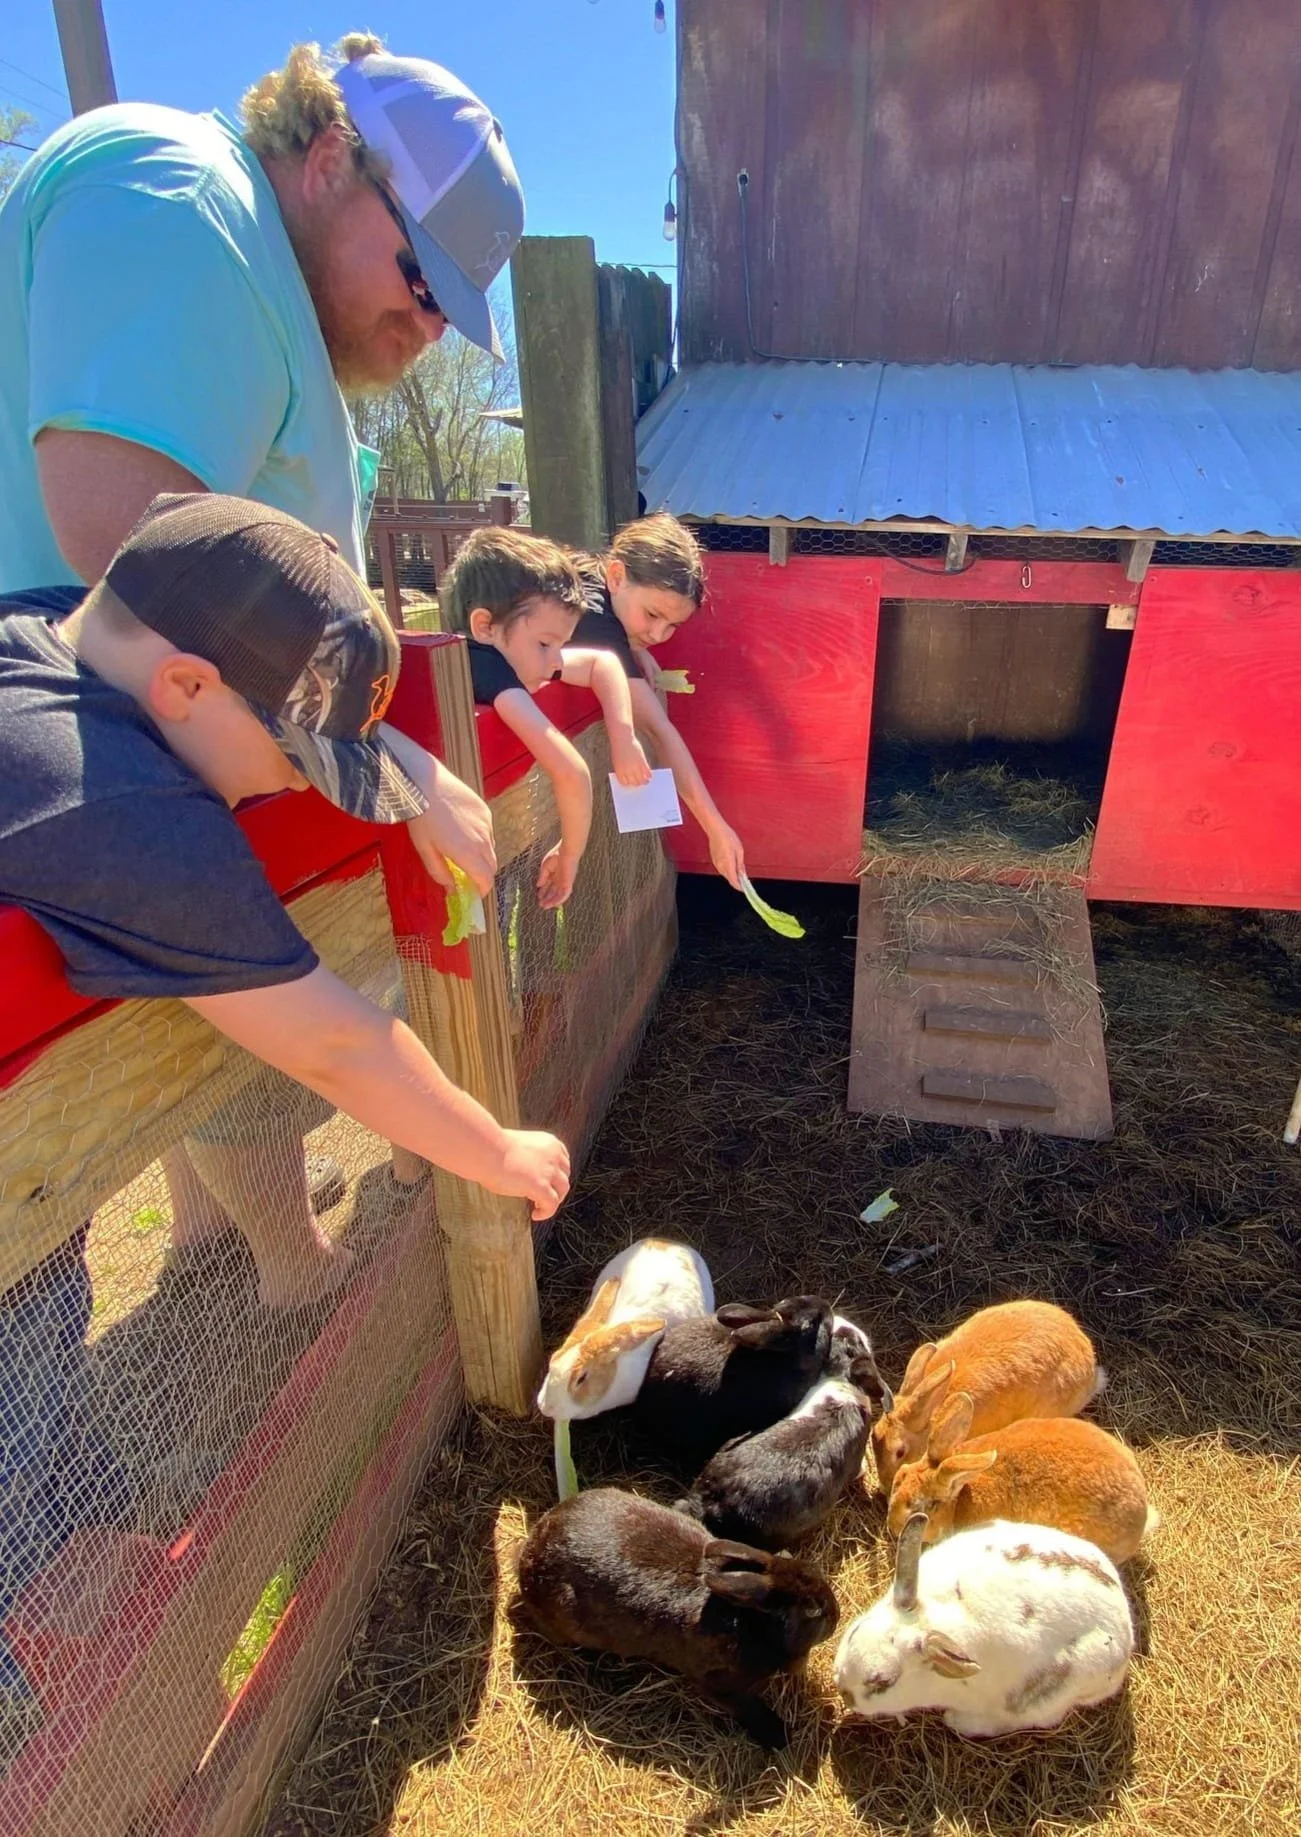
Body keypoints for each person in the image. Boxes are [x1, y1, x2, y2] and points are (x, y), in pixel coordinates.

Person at [0, 494, 572, 1693]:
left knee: (44, 1304)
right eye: (285, 758)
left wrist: (410, 760)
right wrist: (500, 1153)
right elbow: (337, 1048)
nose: (278, 793)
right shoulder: (119, 807)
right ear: (185, 689)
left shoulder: (55, 631)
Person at [0, 31, 525, 1285]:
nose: (429, 318)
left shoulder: (250, 269)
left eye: (451, 300)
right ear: (329, 156)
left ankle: (208, 1238)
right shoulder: (184, 201)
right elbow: (137, 538)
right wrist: (500, 1155)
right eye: (419, 271)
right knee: (36, 1276)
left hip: (132, 794)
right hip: (92, 841)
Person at [442, 527, 653, 911]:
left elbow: (601, 662)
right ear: (484, 627)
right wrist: (571, 854)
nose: (556, 661)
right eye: (545, 643)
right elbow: (572, 772)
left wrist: (624, 738)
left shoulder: (507, 651)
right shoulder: (487, 666)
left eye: (561, 644)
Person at [567, 515, 748, 889]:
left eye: (672, 626)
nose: (658, 635)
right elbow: (657, 730)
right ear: (615, 575)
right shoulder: (595, 621)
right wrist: (715, 827)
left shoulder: (597, 594)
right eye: (652, 615)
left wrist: (634, 646)